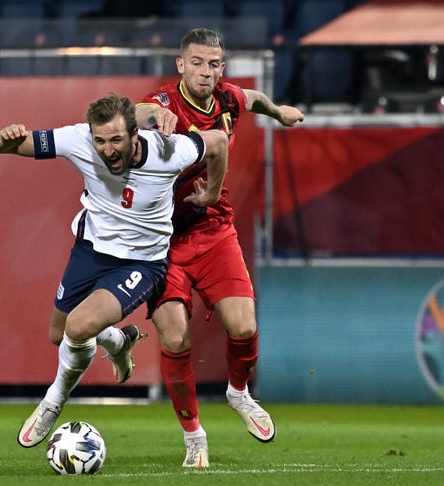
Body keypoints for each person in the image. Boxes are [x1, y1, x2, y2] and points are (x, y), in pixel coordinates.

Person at [0, 92, 229, 448]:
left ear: (136, 134)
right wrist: (3, 137)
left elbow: (219, 141)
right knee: (60, 333)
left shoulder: (169, 150)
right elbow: (4, 146)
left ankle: (53, 401)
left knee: (79, 326)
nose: (107, 149)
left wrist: (212, 192)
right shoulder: (79, 140)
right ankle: (119, 340)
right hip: (90, 251)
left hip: (142, 261)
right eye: (100, 141)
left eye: (116, 140)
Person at [135, 28, 305, 467]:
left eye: (213, 64)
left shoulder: (229, 99)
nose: (205, 72)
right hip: (162, 240)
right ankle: (194, 436)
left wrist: (280, 111)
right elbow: (133, 112)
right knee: (175, 335)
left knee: (244, 326)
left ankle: (239, 393)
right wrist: (152, 117)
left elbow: (255, 99)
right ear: (180, 65)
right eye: (197, 62)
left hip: (213, 230)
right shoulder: (165, 104)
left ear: (221, 68)